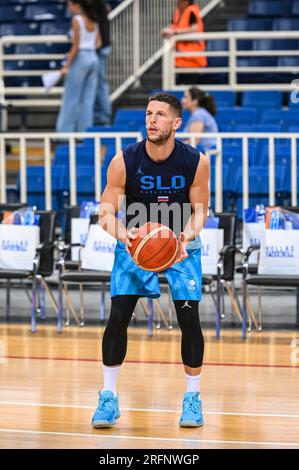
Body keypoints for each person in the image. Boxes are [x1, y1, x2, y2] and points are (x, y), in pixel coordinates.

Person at [91, 92, 210, 429]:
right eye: (148, 114)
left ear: (176, 122)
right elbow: (105, 212)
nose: (151, 120)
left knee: (189, 321)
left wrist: (184, 237)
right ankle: (108, 397)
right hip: (136, 243)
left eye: (159, 115)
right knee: (117, 317)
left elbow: (200, 210)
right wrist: (122, 234)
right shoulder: (124, 160)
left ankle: (192, 397)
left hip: (181, 244)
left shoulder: (195, 161)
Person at [56, 0, 100, 132]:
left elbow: (76, 46)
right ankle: (84, 133)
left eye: (69, 4)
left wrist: (66, 65)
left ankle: (64, 135)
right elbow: (98, 43)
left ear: (77, 5)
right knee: (88, 99)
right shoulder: (94, 20)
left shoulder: (77, 19)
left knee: (71, 98)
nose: (69, 8)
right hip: (93, 57)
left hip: (81, 57)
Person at [162, 0, 207, 83]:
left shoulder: (191, 10)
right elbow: (173, 25)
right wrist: (167, 31)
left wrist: (175, 32)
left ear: (186, 2)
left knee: (189, 88)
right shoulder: (178, 12)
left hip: (193, 60)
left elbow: (195, 29)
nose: (177, 3)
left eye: (179, 1)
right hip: (181, 60)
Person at [92, 0, 112, 126]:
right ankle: (100, 115)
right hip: (100, 45)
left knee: (100, 82)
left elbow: (93, 23)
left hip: (99, 46)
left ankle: (104, 116)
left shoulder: (96, 3)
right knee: (98, 83)